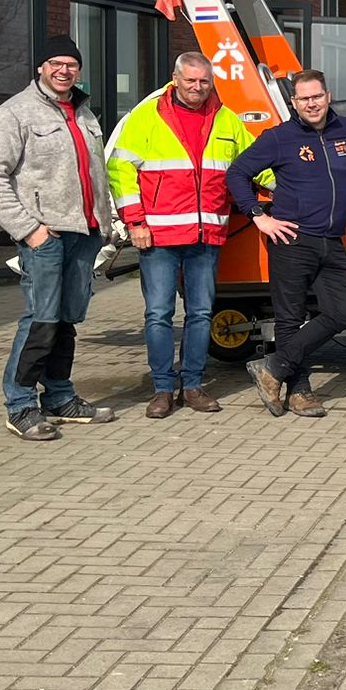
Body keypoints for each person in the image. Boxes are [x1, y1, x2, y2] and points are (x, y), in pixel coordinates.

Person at [226, 69, 346, 418]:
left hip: (332, 239)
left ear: (328, 96)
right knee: (289, 319)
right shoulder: (279, 138)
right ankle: (300, 392)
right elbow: (237, 173)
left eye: (317, 96)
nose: (312, 104)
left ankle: (272, 368)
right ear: (294, 103)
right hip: (291, 239)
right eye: (304, 99)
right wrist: (259, 216)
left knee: (341, 311)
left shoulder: (345, 130)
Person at [0, 34, 118, 440]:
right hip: (45, 237)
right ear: (41, 67)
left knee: (66, 321)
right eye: (55, 63)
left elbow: (95, 174)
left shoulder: (85, 113)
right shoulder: (16, 113)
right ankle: (19, 405)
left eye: (71, 64)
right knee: (41, 321)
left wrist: (105, 224)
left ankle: (59, 397)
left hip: (84, 234)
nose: (63, 70)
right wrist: (29, 230)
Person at [105, 50, 255, 418]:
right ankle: (161, 389)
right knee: (158, 314)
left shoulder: (227, 120)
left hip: (207, 236)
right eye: (190, 80)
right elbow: (119, 168)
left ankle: (192, 385)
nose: (197, 88)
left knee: (201, 313)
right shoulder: (146, 117)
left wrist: (286, 186)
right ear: (175, 79)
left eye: (204, 81)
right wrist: (135, 221)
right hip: (157, 237)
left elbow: (252, 163)